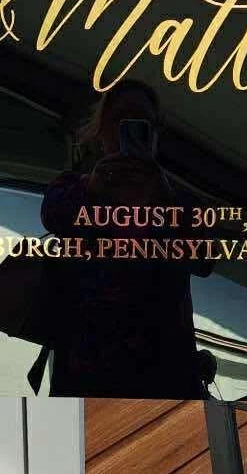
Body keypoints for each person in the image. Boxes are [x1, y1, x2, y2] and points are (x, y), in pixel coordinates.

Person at [39, 80, 209, 397]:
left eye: (143, 121)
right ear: (101, 132)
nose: (130, 128)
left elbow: (203, 258)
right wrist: (93, 187)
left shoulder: (176, 199)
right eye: (121, 119)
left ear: (155, 134)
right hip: (91, 368)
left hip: (159, 370)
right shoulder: (76, 186)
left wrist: (163, 199)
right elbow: (53, 214)